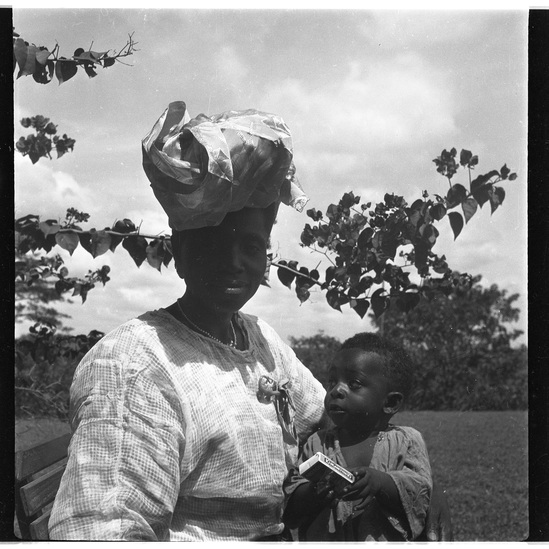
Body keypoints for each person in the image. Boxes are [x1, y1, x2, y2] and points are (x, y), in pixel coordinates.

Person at [48, 102, 452, 541]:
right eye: (213, 245)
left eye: (252, 246)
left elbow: (324, 416)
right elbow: (107, 528)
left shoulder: (257, 339)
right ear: (179, 253)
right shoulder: (134, 367)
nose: (235, 264)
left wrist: (411, 485)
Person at [283, 333, 433, 541]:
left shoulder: (406, 441)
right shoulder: (317, 443)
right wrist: (314, 492)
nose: (336, 390)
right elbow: (292, 501)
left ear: (390, 403)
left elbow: (420, 493)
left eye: (354, 383)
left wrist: (381, 482)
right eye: (332, 382)